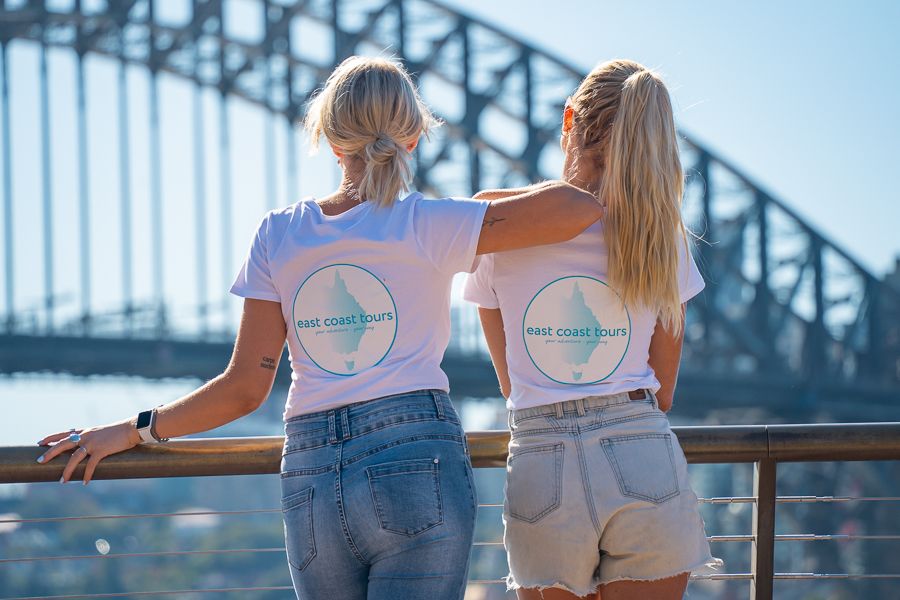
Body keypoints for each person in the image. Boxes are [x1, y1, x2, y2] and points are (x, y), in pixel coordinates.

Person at [35, 56, 603, 600]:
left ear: (332, 143)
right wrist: (478, 208)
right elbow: (578, 206)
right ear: (412, 137)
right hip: (414, 455)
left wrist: (136, 429)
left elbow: (244, 389)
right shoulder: (431, 223)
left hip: (310, 471)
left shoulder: (278, 234)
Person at [463, 59, 722, 600]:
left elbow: (512, 383)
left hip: (541, 455)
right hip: (639, 446)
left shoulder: (498, 236)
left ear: (569, 121)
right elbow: (664, 389)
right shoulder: (661, 237)